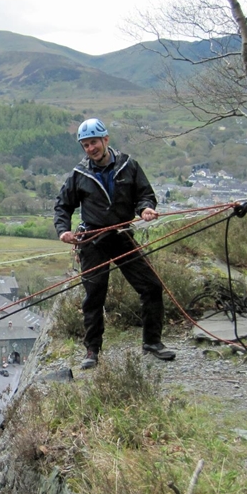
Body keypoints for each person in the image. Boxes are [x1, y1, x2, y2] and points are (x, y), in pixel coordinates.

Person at [54, 118, 175, 370]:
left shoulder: (129, 165)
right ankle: (92, 351)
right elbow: (63, 206)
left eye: (93, 143)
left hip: (122, 236)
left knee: (151, 287)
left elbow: (144, 194)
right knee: (94, 297)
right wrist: (63, 230)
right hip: (92, 241)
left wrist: (145, 209)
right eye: (85, 145)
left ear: (105, 140)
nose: (90, 149)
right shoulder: (79, 174)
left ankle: (152, 343)